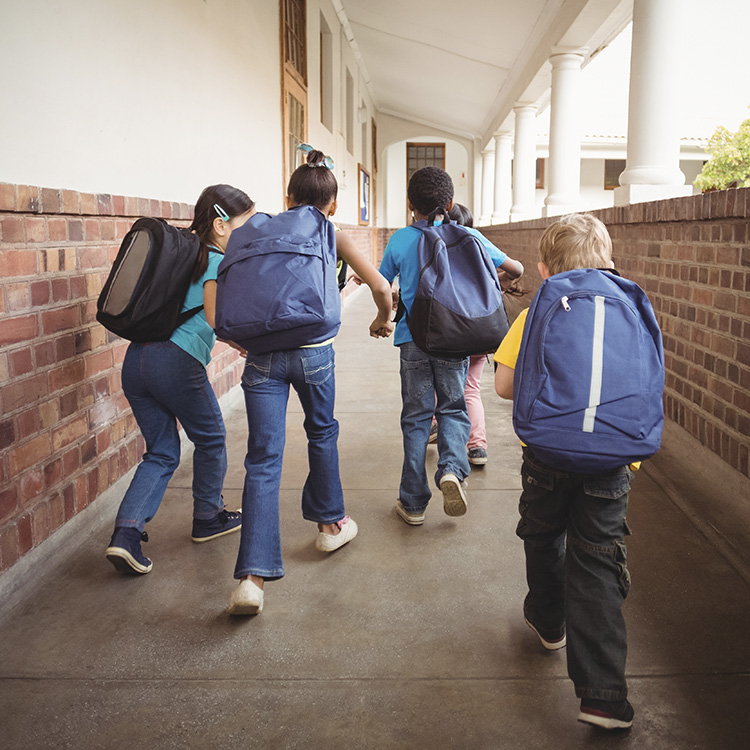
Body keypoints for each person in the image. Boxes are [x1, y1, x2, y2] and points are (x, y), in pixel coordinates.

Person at [228, 145, 394, 615]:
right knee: (321, 433)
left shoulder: (256, 229)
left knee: (262, 459)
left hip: (261, 355)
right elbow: (381, 287)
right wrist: (383, 320)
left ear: (288, 196)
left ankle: (251, 580)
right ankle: (329, 526)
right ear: (333, 203)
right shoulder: (331, 231)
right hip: (314, 353)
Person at [494, 213, 636, 730]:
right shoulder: (631, 308)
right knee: (598, 561)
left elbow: (505, 389)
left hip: (549, 455)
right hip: (613, 459)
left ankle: (549, 621)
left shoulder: (536, 311)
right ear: (610, 260)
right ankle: (603, 695)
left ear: (542, 266)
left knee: (543, 534)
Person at [106, 184, 255, 575]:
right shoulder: (215, 261)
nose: (250, 231)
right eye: (246, 223)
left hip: (137, 361)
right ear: (221, 226)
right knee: (211, 438)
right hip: (176, 361)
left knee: (162, 450)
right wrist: (249, 342)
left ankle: (126, 535)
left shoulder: (184, 256)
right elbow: (214, 318)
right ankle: (208, 515)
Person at [379, 167, 523, 526]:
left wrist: (381, 317)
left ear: (410, 204)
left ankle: (412, 503)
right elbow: (517, 268)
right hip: (454, 341)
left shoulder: (399, 239)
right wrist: (493, 281)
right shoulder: (470, 236)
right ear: (450, 203)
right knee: (453, 408)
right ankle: (452, 471)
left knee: (415, 418)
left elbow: (382, 285)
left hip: (412, 341)